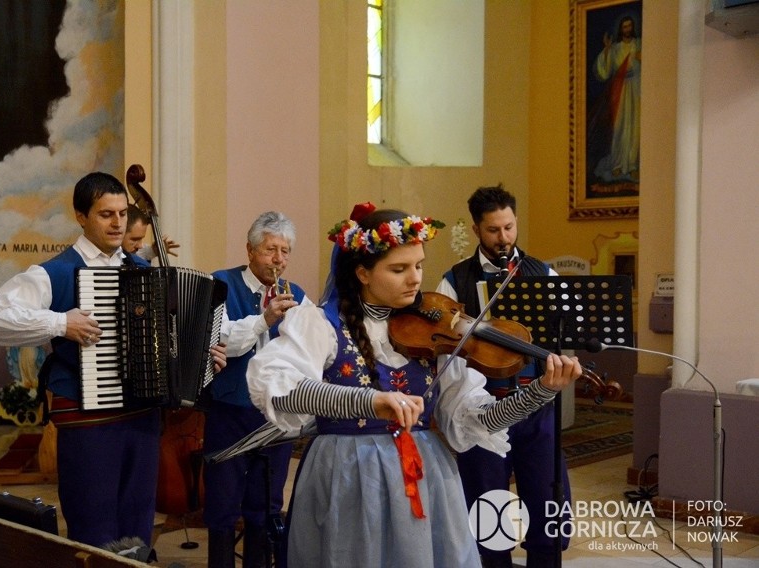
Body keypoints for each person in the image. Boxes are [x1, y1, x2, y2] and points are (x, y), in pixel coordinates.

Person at [246, 202, 582, 568]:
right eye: (399, 269)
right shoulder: (320, 323)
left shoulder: (434, 333)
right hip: (347, 475)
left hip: (427, 477)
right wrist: (371, 403)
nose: (415, 278)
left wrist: (540, 391)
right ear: (362, 272)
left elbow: (479, 420)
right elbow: (280, 386)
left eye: (419, 265)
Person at [0, 172, 227, 551]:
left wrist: (205, 357)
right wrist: (60, 322)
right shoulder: (54, 273)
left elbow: (172, 344)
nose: (117, 223)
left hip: (142, 418)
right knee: (93, 527)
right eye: (106, 214)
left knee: (138, 526)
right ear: (81, 216)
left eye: (122, 214)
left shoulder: (145, 272)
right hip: (88, 419)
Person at [437, 184, 567, 568]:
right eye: (493, 230)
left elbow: (564, 337)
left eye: (509, 228)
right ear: (477, 230)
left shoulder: (543, 273)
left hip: (538, 409)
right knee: (487, 516)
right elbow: (448, 358)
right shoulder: (455, 281)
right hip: (483, 414)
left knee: (548, 509)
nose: (504, 238)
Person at [204, 211, 310, 568]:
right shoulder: (221, 284)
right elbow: (218, 337)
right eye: (270, 250)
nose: (279, 260)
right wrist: (265, 319)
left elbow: (313, 347)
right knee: (222, 504)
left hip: (274, 414)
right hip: (229, 410)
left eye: (285, 251)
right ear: (250, 251)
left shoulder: (296, 294)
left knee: (265, 506)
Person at [592, 14, 641, 182]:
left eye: (629, 26)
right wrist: (606, 49)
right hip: (619, 91)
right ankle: (618, 164)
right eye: (624, 27)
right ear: (621, 29)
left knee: (633, 128)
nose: (627, 29)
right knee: (620, 127)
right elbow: (604, 71)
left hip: (635, 88)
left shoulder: (638, 45)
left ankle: (632, 165)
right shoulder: (616, 48)